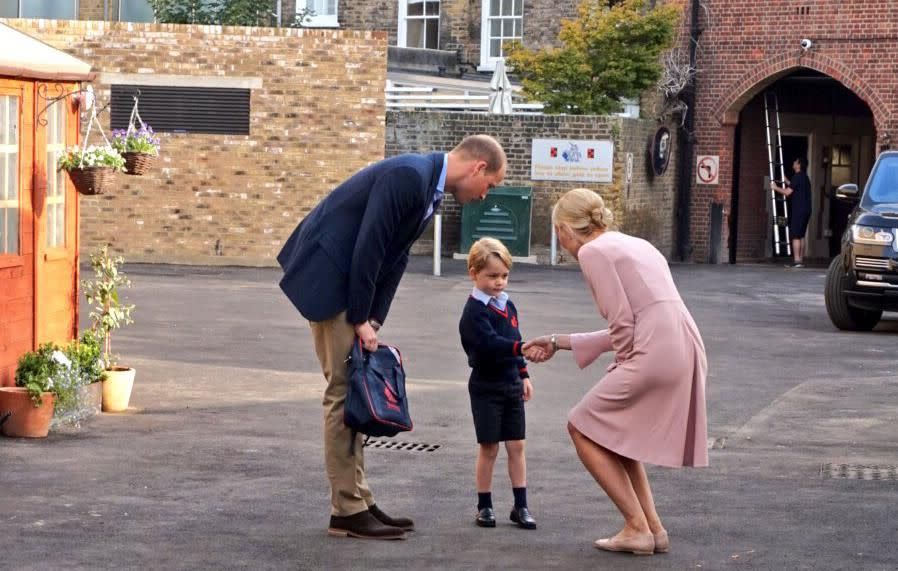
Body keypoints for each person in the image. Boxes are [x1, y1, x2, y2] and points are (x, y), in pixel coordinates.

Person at [277, 135, 507, 540]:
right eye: (489, 186)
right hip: (331, 280)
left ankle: (359, 500)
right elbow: (369, 246)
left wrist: (374, 319)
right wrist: (360, 316)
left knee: (356, 390)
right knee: (344, 393)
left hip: (346, 287)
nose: (485, 196)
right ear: (478, 168)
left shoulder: (426, 188)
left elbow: (393, 258)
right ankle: (346, 510)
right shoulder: (409, 177)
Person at [523, 188, 708, 556]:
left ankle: (638, 527)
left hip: (652, 352)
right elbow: (643, 318)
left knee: (580, 425)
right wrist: (560, 341)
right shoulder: (633, 243)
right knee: (617, 436)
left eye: (557, 230)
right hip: (682, 345)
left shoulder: (593, 252)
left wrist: (623, 363)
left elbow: (621, 322)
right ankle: (653, 529)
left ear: (565, 229)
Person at [458, 238, 539, 531]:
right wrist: (521, 349)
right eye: (492, 276)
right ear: (474, 273)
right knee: (489, 447)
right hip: (486, 385)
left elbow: (515, 336)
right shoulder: (474, 313)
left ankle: (521, 506)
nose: (499, 282)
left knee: (517, 445)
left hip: (511, 383)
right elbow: (490, 344)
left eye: (504, 276)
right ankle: (485, 506)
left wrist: (524, 374)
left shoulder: (508, 305)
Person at [771, 157, 812, 267]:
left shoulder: (797, 176)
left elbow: (788, 192)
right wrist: (786, 180)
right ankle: (801, 260)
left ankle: (797, 261)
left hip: (799, 210)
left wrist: (775, 187)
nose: (793, 163)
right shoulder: (805, 177)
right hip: (807, 210)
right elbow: (794, 186)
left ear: (799, 165)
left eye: (795, 161)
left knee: (795, 236)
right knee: (801, 235)